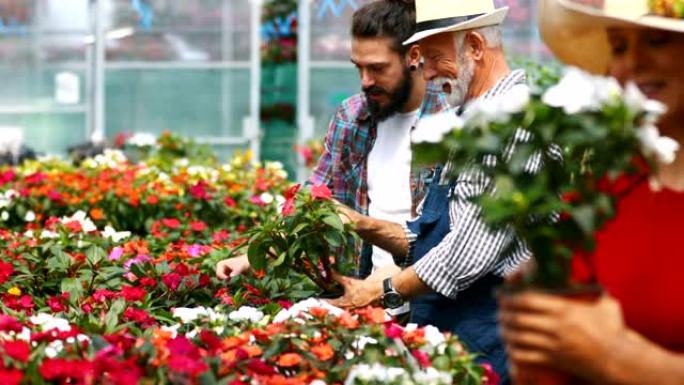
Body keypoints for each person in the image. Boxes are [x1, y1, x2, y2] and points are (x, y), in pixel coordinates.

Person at [328, 1, 534, 383]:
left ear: (474, 46)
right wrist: (364, 226)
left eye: (436, 57)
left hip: (493, 340)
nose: (428, 71)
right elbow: (436, 231)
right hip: (458, 336)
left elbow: (468, 250)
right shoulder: (472, 119)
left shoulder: (509, 121)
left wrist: (383, 290)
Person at [499, 1, 684, 384]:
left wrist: (617, 358)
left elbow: (597, 352)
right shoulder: (603, 190)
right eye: (618, 46)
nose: (633, 61)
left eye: (657, 40)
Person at [216, 1, 450, 292]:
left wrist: (395, 278)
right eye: (359, 67)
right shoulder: (353, 117)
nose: (365, 81)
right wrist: (253, 254)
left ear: (413, 56)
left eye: (377, 68)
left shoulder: (453, 121)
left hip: (426, 295)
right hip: (362, 290)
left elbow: (454, 238)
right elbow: (316, 194)